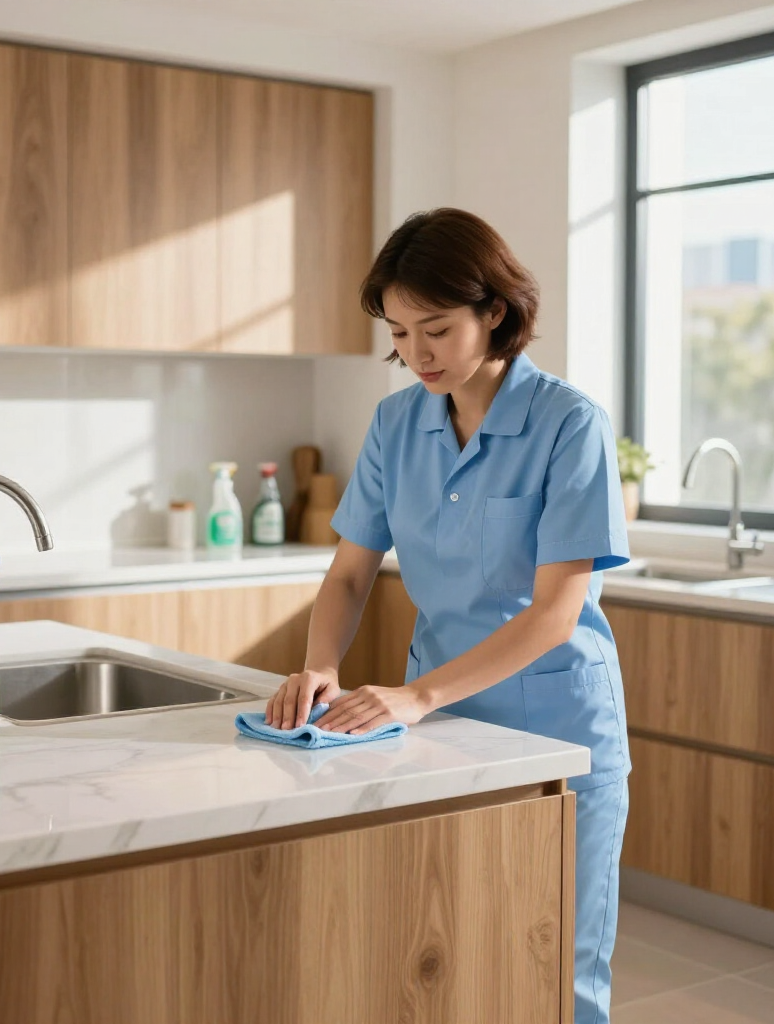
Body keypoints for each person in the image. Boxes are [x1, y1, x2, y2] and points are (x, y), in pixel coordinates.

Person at [265, 207, 631, 1023]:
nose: (415, 354)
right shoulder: (397, 423)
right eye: (398, 333)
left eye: (434, 328)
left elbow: (554, 615)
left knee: (557, 971)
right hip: (436, 733)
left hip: (556, 729)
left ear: (493, 312)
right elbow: (351, 573)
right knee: (445, 951)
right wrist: (322, 666)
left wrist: (417, 696)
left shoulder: (570, 425)